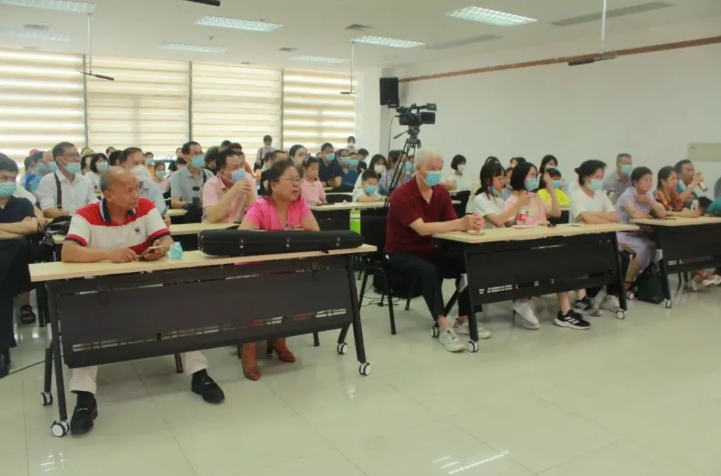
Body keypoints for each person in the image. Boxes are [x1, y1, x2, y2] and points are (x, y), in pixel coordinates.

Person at [61, 166, 224, 434]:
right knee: (84, 323)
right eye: (129, 190)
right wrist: (108, 255)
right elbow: (68, 251)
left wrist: (158, 251)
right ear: (108, 194)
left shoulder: (146, 207)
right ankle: (84, 397)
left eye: (137, 187)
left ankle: (199, 375)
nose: (137, 193)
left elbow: (167, 241)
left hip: (145, 282)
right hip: (101, 290)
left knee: (181, 310)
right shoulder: (86, 214)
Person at [385, 148, 490, 352]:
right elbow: (422, 228)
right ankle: (443, 325)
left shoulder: (441, 193)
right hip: (400, 252)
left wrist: (472, 225)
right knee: (428, 271)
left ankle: (464, 318)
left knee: (468, 263)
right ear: (418, 168)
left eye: (439, 169)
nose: (436, 173)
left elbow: (452, 223)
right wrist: (460, 223)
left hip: (428, 249)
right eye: (432, 169)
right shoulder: (402, 194)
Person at [238, 161, 320, 379]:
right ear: (273, 185)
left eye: (298, 180)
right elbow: (243, 237)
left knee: (306, 301)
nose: (296, 185)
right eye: (290, 179)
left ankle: (278, 339)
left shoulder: (299, 203)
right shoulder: (260, 207)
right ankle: (249, 348)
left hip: (287, 270)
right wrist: (283, 237)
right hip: (257, 273)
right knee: (257, 302)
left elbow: (315, 231)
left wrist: (297, 235)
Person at [506, 162, 591, 329]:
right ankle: (564, 311)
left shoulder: (536, 197)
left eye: (535, 175)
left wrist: (551, 190)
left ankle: (568, 309)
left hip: (544, 245)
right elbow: (508, 225)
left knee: (568, 257)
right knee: (559, 261)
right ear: (520, 177)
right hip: (524, 250)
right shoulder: (511, 200)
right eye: (530, 175)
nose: (533, 179)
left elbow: (557, 213)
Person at [472, 161, 540, 329]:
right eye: (499, 178)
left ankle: (524, 299)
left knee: (532, 253)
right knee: (526, 256)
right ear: (488, 181)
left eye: (504, 178)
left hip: (503, 244)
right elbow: (497, 221)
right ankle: (523, 299)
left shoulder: (500, 200)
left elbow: (508, 223)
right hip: (485, 248)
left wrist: (524, 219)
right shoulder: (480, 199)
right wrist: (517, 204)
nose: (503, 181)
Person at [0, 154, 39, 377]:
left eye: (11, 178)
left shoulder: (22, 203)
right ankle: (2, 348)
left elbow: (32, 228)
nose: (7, 183)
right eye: (2, 178)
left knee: (15, 248)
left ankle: (2, 350)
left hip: (17, 265)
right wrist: (17, 230)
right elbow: (23, 229)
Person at [570, 160, 622, 314]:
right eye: (596, 177)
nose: (599, 180)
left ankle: (608, 295)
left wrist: (594, 214)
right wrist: (600, 217)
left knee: (621, 258)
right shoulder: (576, 195)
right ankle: (587, 297)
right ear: (586, 178)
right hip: (579, 242)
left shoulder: (601, 195)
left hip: (599, 240)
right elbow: (589, 220)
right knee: (600, 259)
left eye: (601, 176)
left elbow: (616, 216)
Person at [654, 166, 718, 287]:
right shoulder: (657, 194)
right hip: (658, 231)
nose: (676, 181)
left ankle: (699, 274)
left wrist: (689, 213)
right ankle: (702, 274)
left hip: (673, 229)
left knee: (695, 239)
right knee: (684, 243)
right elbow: (662, 212)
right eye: (673, 179)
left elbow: (679, 203)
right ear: (663, 181)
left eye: (677, 179)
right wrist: (682, 213)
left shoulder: (672, 194)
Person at [616, 167, 667, 290]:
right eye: (645, 180)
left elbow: (662, 214)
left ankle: (641, 279)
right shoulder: (627, 196)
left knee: (655, 246)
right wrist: (648, 215)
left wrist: (650, 201)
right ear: (635, 182)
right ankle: (627, 283)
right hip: (623, 233)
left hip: (638, 233)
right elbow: (636, 216)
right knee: (644, 247)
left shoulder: (648, 194)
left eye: (650, 179)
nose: (649, 182)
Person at [37, 142, 98, 218]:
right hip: (62, 226)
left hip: (84, 224)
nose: (77, 159)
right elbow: (48, 211)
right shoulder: (48, 181)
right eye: (71, 155)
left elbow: (94, 203)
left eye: (77, 155)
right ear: (59, 159)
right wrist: (75, 214)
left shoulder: (85, 181)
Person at [203, 149, 257, 224]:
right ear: (222, 172)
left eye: (241, 166)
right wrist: (233, 190)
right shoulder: (211, 185)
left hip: (237, 229)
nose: (240, 170)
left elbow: (256, 213)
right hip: (214, 231)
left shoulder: (247, 179)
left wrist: (249, 192)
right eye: (235, 168)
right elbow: (213, 217)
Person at [111, 147, 167, 217]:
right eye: (135, 163)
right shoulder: (114, 188)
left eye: (143, 163)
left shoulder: (152, 186)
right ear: (123, 165)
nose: (140, 167)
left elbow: (161, 212)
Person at [170, 141, 214, 210]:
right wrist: (194, 204)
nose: (199, 156)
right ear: (185, 157)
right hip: (188, 215)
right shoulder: (178, 176)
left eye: (200, 153)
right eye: (195, 153)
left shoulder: (209, 174)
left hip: (207, 213)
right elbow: (174, 202)